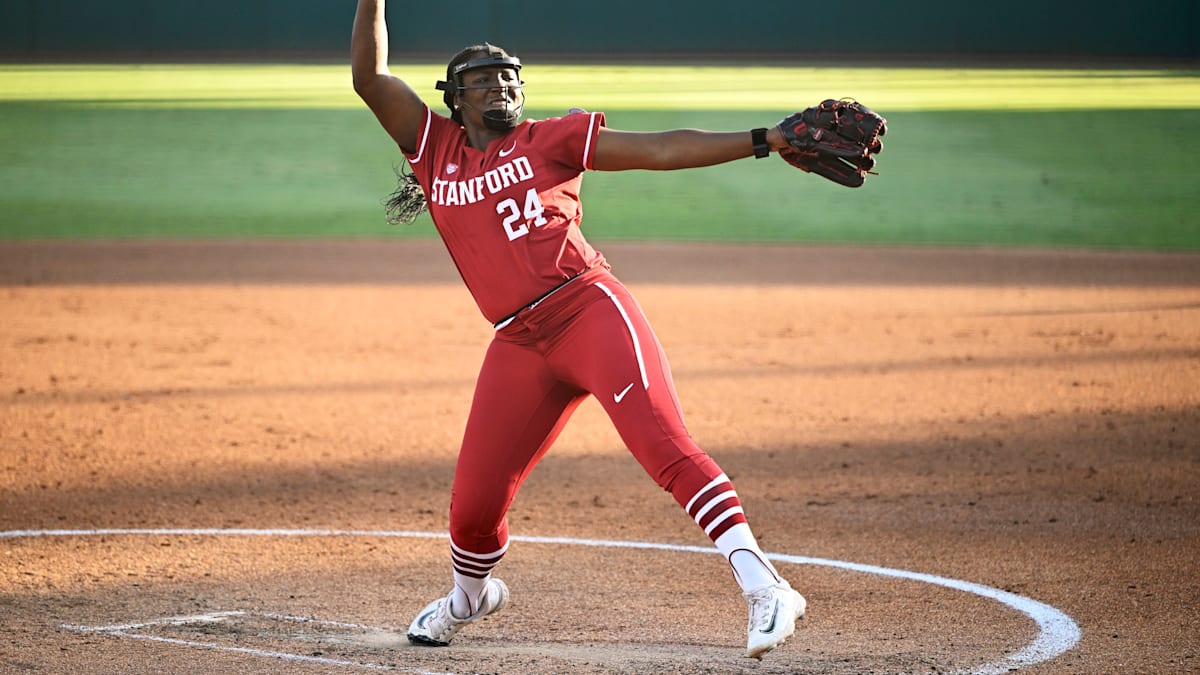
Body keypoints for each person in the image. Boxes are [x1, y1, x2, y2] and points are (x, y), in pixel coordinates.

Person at [352, 0, 806, 660]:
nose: (500, 85)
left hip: (588, 310)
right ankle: (467, 599)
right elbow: (369, 76)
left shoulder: (550, 140)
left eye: (508, 77)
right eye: (483, 79)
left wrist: (765, 139)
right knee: (473, 509)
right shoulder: (433, 147)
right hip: (517, 343)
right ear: (455, 98)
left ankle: (767, 587)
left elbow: (660, 149)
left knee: (664, 445)